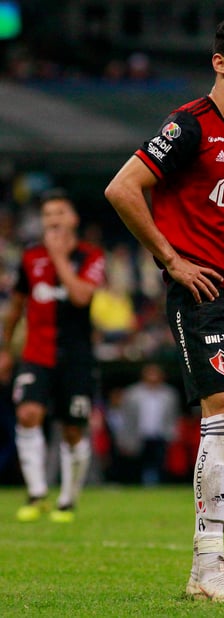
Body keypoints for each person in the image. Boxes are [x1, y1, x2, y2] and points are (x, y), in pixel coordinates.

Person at [105, 15, 224, 602]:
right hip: (204, 293)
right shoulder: (188, 126)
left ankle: (209, 569)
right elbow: (123, 187)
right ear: (220, 63)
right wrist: (171, 261)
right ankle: (208, 567)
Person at [1, 188, 105, 522]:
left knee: (73, 429)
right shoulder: (30, 258)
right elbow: (16, 307)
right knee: (28, 414)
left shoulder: (91, 257)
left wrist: (59, 257)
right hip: (36, 352)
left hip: (76, 357)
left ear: (73, 219)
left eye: (60, 213)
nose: (54, 220)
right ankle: (35, 493)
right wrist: (5, 350)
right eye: (47, 215)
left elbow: (80, 297)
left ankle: (67, 499)